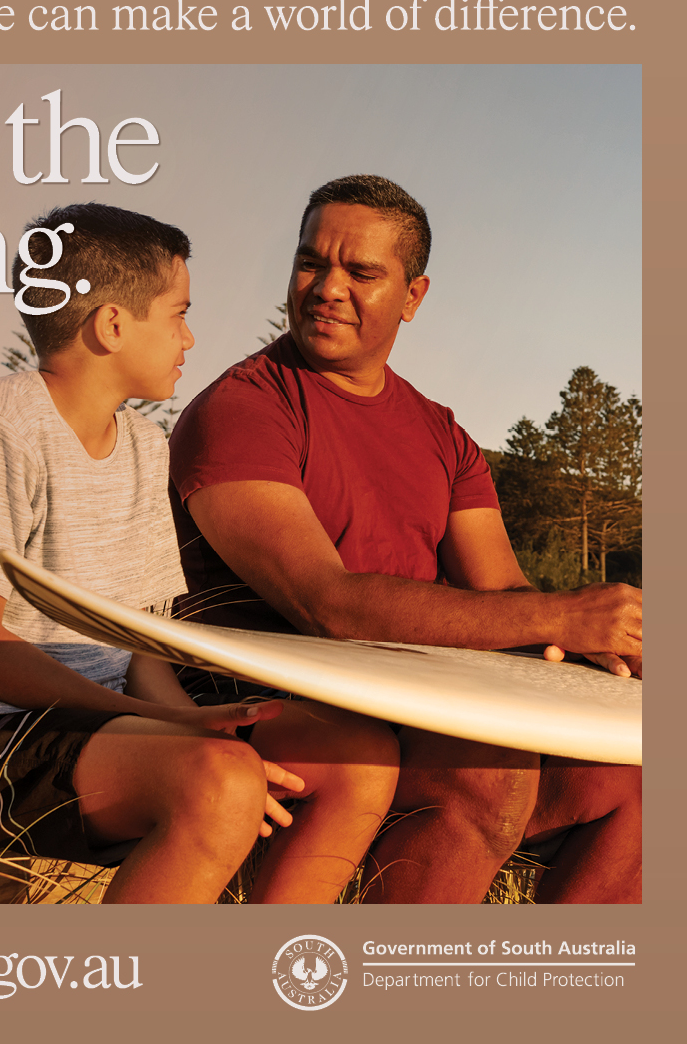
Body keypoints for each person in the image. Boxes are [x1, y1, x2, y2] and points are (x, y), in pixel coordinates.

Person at [0, 202, 399, 904]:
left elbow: (141, 649)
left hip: (110, 728)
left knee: (358, 757)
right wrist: (159, 723)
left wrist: (176, 716)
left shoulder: (142, 445)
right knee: (223, 782)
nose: (190, 337)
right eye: (179, 313)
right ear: (113, 325)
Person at [168, 175, 642, 903]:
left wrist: (608, 644)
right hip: (281, 709)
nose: (327, 287)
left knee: (638, 777)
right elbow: (328, 605)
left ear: (413, 297)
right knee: (485, 769)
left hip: (423, 700)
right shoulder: (244, 409)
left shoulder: (441, 433)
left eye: (360, 272)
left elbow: (505, 595)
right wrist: (562, 614)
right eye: (310, 263)